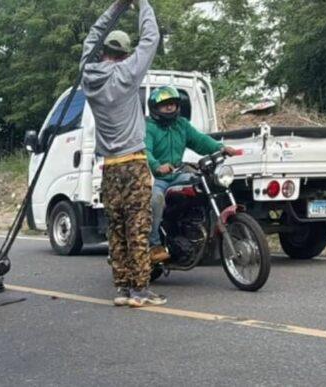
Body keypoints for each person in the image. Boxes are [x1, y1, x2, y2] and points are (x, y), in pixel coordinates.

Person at [81, 0, 163, 307]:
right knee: (138, 227)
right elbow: (150, 37)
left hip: (110, 168)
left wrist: (117, 6)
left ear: (103, 52)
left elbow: (93, 34)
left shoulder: (88, 75)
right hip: (134, 163)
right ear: (125, 54)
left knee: (116, 230)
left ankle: (123, 288)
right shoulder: (128, 73)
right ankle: (140, 291)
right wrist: (140, 3)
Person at [145, 86, 236, 255]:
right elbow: (146, 151)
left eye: (173, 103)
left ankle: (198, 229)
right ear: (155, 108)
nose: (170, 107)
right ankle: (154, 244)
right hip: (157, 178)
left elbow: (200, 141)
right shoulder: (149, 127)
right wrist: (157, 166)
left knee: (205, 183)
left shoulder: (182, 125)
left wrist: (220, 148)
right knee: (156, 199)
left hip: (178, 174)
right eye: (165, 104)